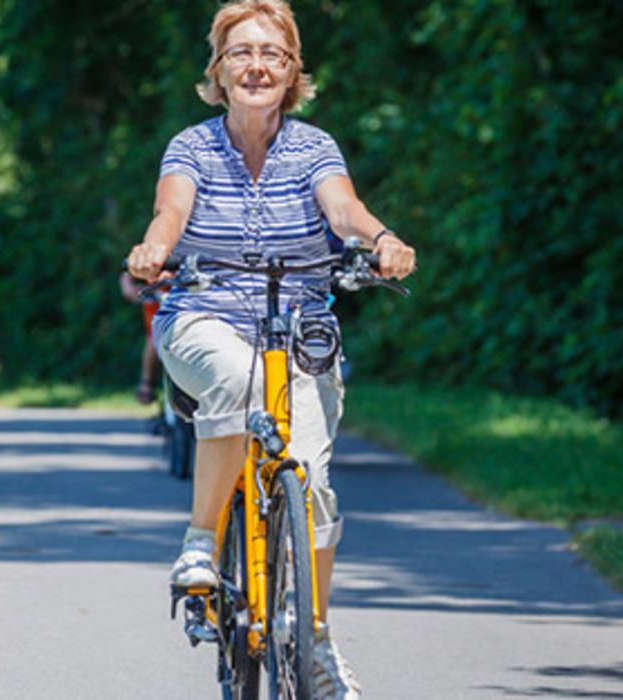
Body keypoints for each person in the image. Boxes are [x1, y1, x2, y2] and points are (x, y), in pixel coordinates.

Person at [123, 2, 417, 698]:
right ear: (218, 73)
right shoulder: (190, 147)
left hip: (296, 330)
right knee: (231, 378)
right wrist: (155, 249)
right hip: (204, 318)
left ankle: (311, 638)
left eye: (272, 56)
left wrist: (379, 240)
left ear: (291, 75)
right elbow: (171, 212)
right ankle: (200, 543)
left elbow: (342, 208)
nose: (256, 66)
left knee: (311, 490)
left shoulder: (314, 149)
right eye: (240, 54)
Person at [118, 271, 162, 404]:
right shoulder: (158, 249)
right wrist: (128, 286)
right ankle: (147, 382)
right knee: (155, 335)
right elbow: (129, 271)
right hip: (160, 297)